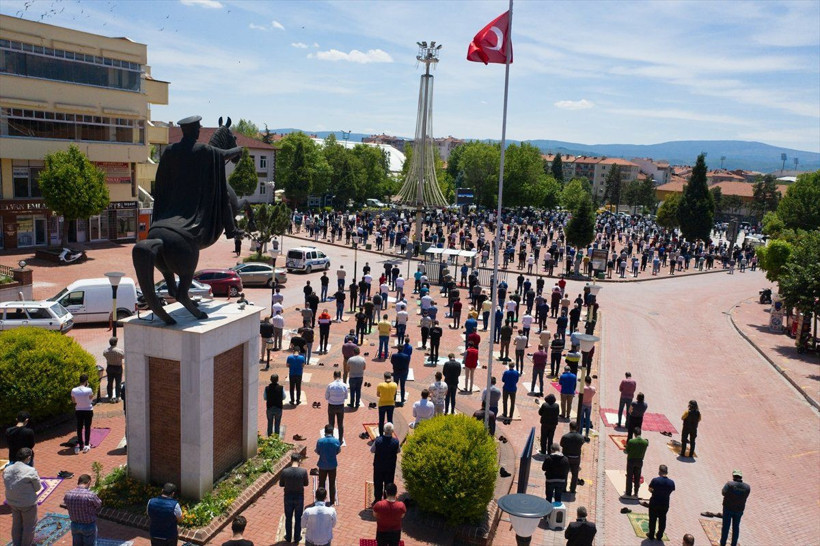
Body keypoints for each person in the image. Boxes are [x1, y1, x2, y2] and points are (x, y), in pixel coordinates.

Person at [4, 447, 39, 546]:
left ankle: (16, 543)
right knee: (29, 526)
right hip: (27, 503)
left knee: (16, 524)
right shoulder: (30, 471)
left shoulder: (7, 469)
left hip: (12, 501)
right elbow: (37, 487)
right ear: (28, 458)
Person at [64, 473, 103, 546]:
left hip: (74, 524)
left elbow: (66, 504)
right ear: (88, 482)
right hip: (88, 525)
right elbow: (98, 504)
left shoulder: (68, 494)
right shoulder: (90, 495)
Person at [279, 452, 309, 544]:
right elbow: (306, 484)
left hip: (288, 497)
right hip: (299, 497)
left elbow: (281, 484)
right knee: (298, 517)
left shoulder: (285, 471)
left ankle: (288, 537)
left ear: (291, 460)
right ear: (299, 460)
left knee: (288, 517)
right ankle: (297, 537)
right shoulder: (303, 471)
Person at [371, 422, 401, 504]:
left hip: (379, 466)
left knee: (378, 483)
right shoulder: (395, 442)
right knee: (388, 483)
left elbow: (372, 450)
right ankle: (386, 500)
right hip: (390, 467)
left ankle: (377, 500)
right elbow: (398, 451)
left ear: (384, 430)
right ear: (392, 431)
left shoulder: (378, 440)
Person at [720, 470, 751, 546]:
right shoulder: (747, 487)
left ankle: (723, 544)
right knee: (736, 528)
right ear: (741, 477)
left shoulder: (729, 484)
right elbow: (745, 496)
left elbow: (723, 492)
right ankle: (733, 544)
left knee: (726, 528)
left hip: (728, 508)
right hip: (738, 510)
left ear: (733, 476)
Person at [647, 465, 676, 542]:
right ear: (667, 472)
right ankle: (659, 535)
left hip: (654, 503)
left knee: (652, 519)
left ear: (660, 471)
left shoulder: (655, 480)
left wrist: (654, 492)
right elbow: (671, 490)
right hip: (664, 504)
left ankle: (651, 535)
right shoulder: (671, 483)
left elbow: (650, 489)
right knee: (662, 520)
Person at [315, 424, 341, 506]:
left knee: (321, 483)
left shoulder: (320, 441)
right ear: (332, 432)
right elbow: (338, 451)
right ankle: (332, 501)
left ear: (325, 432)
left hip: (322, 465)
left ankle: (320, 499)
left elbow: (317, 451)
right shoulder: (336, 441)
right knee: (332, 483)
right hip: (332, 465)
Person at [71, 374, 94, 454]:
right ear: (86, 381)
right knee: (87, 427)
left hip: (79, 410)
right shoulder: (89, 390)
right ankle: (87, 444)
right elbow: (91, 398)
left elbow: (73, 401)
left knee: (79, 427)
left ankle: (80, 444)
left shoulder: (74, 390)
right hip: (88, 410)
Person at [623, 428, 648, 498]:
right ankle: (636, 492)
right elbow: (647, 442)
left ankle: (628, 492)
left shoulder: (631, 441)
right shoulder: (645, 442)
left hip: (631, 460)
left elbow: (627, 451)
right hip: (640, 461)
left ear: (634, 434)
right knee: (637, 477)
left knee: (629, 477)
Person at [560, 422, 584, 494]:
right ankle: (572, 489)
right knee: (575, 474)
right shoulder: (581, 437)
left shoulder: (565, 437)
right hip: (576, 458)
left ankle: (563, 488)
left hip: (567, 457)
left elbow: (562, 444)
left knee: (565, 473)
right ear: (577, 428)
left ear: (570, 427)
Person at [325, 371, 348, 445]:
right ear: (340, 376)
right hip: (340, 406)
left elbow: (326, 397)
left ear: (333, 376)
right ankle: (340, 440)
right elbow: (346, 396)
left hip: (331, 406)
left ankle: (331, 438)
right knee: (340, 424)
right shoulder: (344, 385)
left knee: (331, 423)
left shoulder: (330, 385)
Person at [103, 336, 124, 402]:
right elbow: (123, 356)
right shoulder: (119, 351)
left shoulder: (106, 351)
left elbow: (104, 354)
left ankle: (110, 397)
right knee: (118, 383)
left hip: (110, 367)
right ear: (116, 343)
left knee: (109, 383)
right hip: (118, 368)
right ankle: (117, 397)